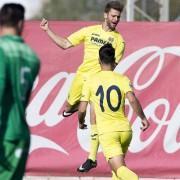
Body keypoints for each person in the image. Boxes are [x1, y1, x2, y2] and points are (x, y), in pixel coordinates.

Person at [40, 1, 125, 172]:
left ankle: (91, 158)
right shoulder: (89, 31)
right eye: (113, 16)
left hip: (98, 82)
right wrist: (47, 30)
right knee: (69, 106)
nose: (116, 19)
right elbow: (65, 44)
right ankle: (73, 107)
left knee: (95, 115)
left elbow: (112, 65)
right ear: (105, 15)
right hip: (81, 78)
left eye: (118, 17)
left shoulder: (119, 41)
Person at [78, 43, 150, 180]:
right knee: (116, 172)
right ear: (114, 61)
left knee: (121, 170)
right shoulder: (123, 79)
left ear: (99, 61)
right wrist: (143, 118)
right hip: (125, 131)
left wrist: (81, 122)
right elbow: (133, 100)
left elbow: (82, 109)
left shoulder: (91, 81)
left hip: (108, 133)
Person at [0, 3, 40, 180]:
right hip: (21, 135)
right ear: (21, 23)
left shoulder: (1, 50)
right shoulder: (32, 57)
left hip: (4, 134)